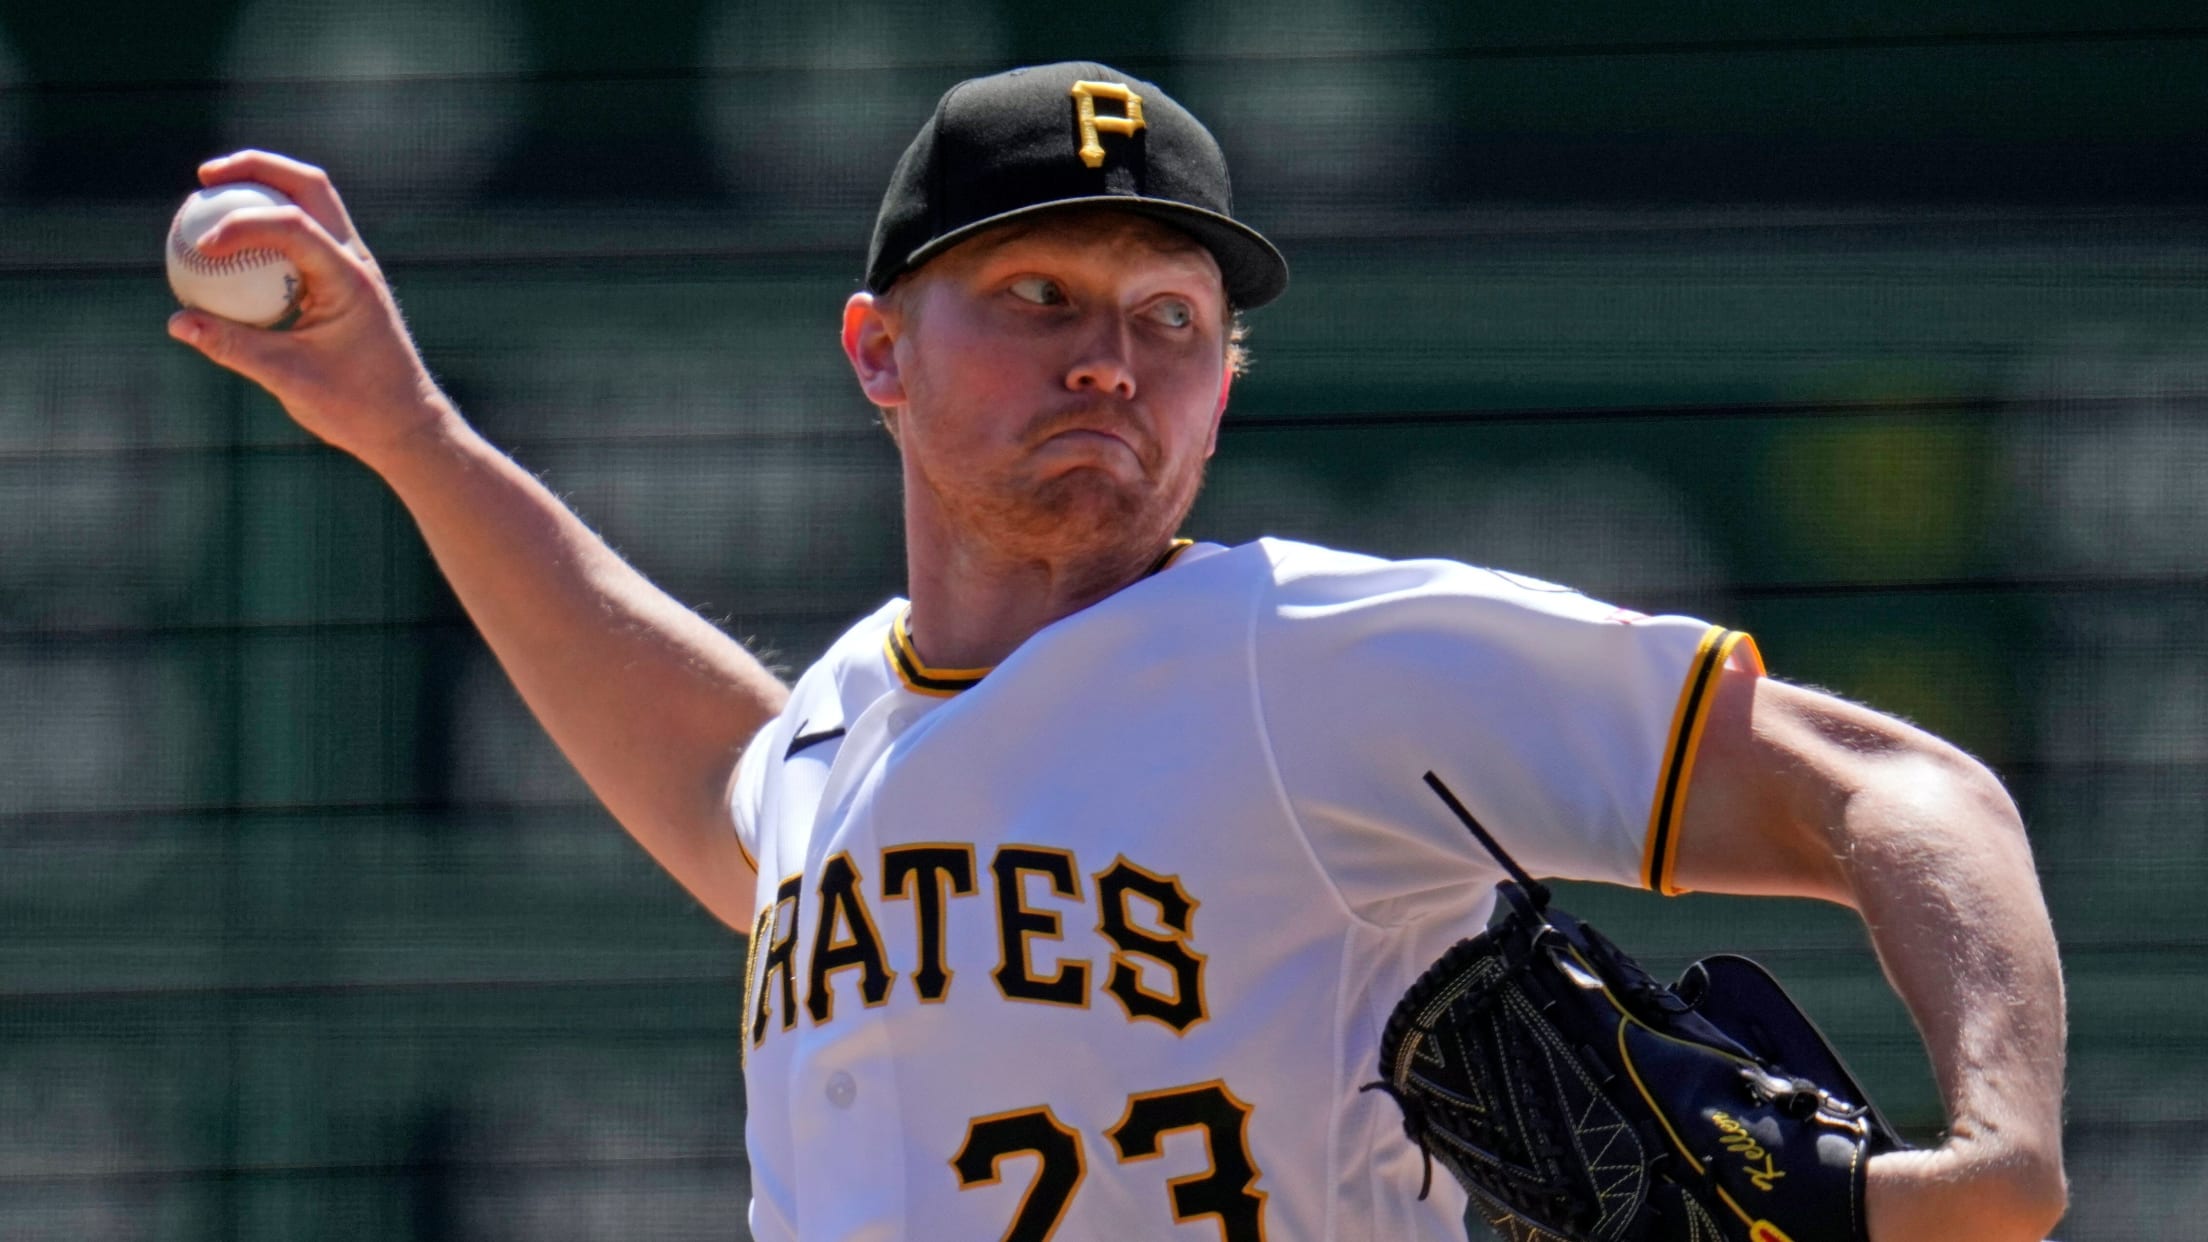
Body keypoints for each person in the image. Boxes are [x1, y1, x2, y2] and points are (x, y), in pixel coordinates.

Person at [167, 61, 2066, 1242]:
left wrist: (1998, 1156)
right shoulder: (844, 737)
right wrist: (409, 433)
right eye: (1037, 294)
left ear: (1223, 391)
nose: (1109, 359)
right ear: (877, 353)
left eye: (1170, 319)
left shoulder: (1304, 659)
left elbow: (1893, 785)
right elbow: (717, 779)